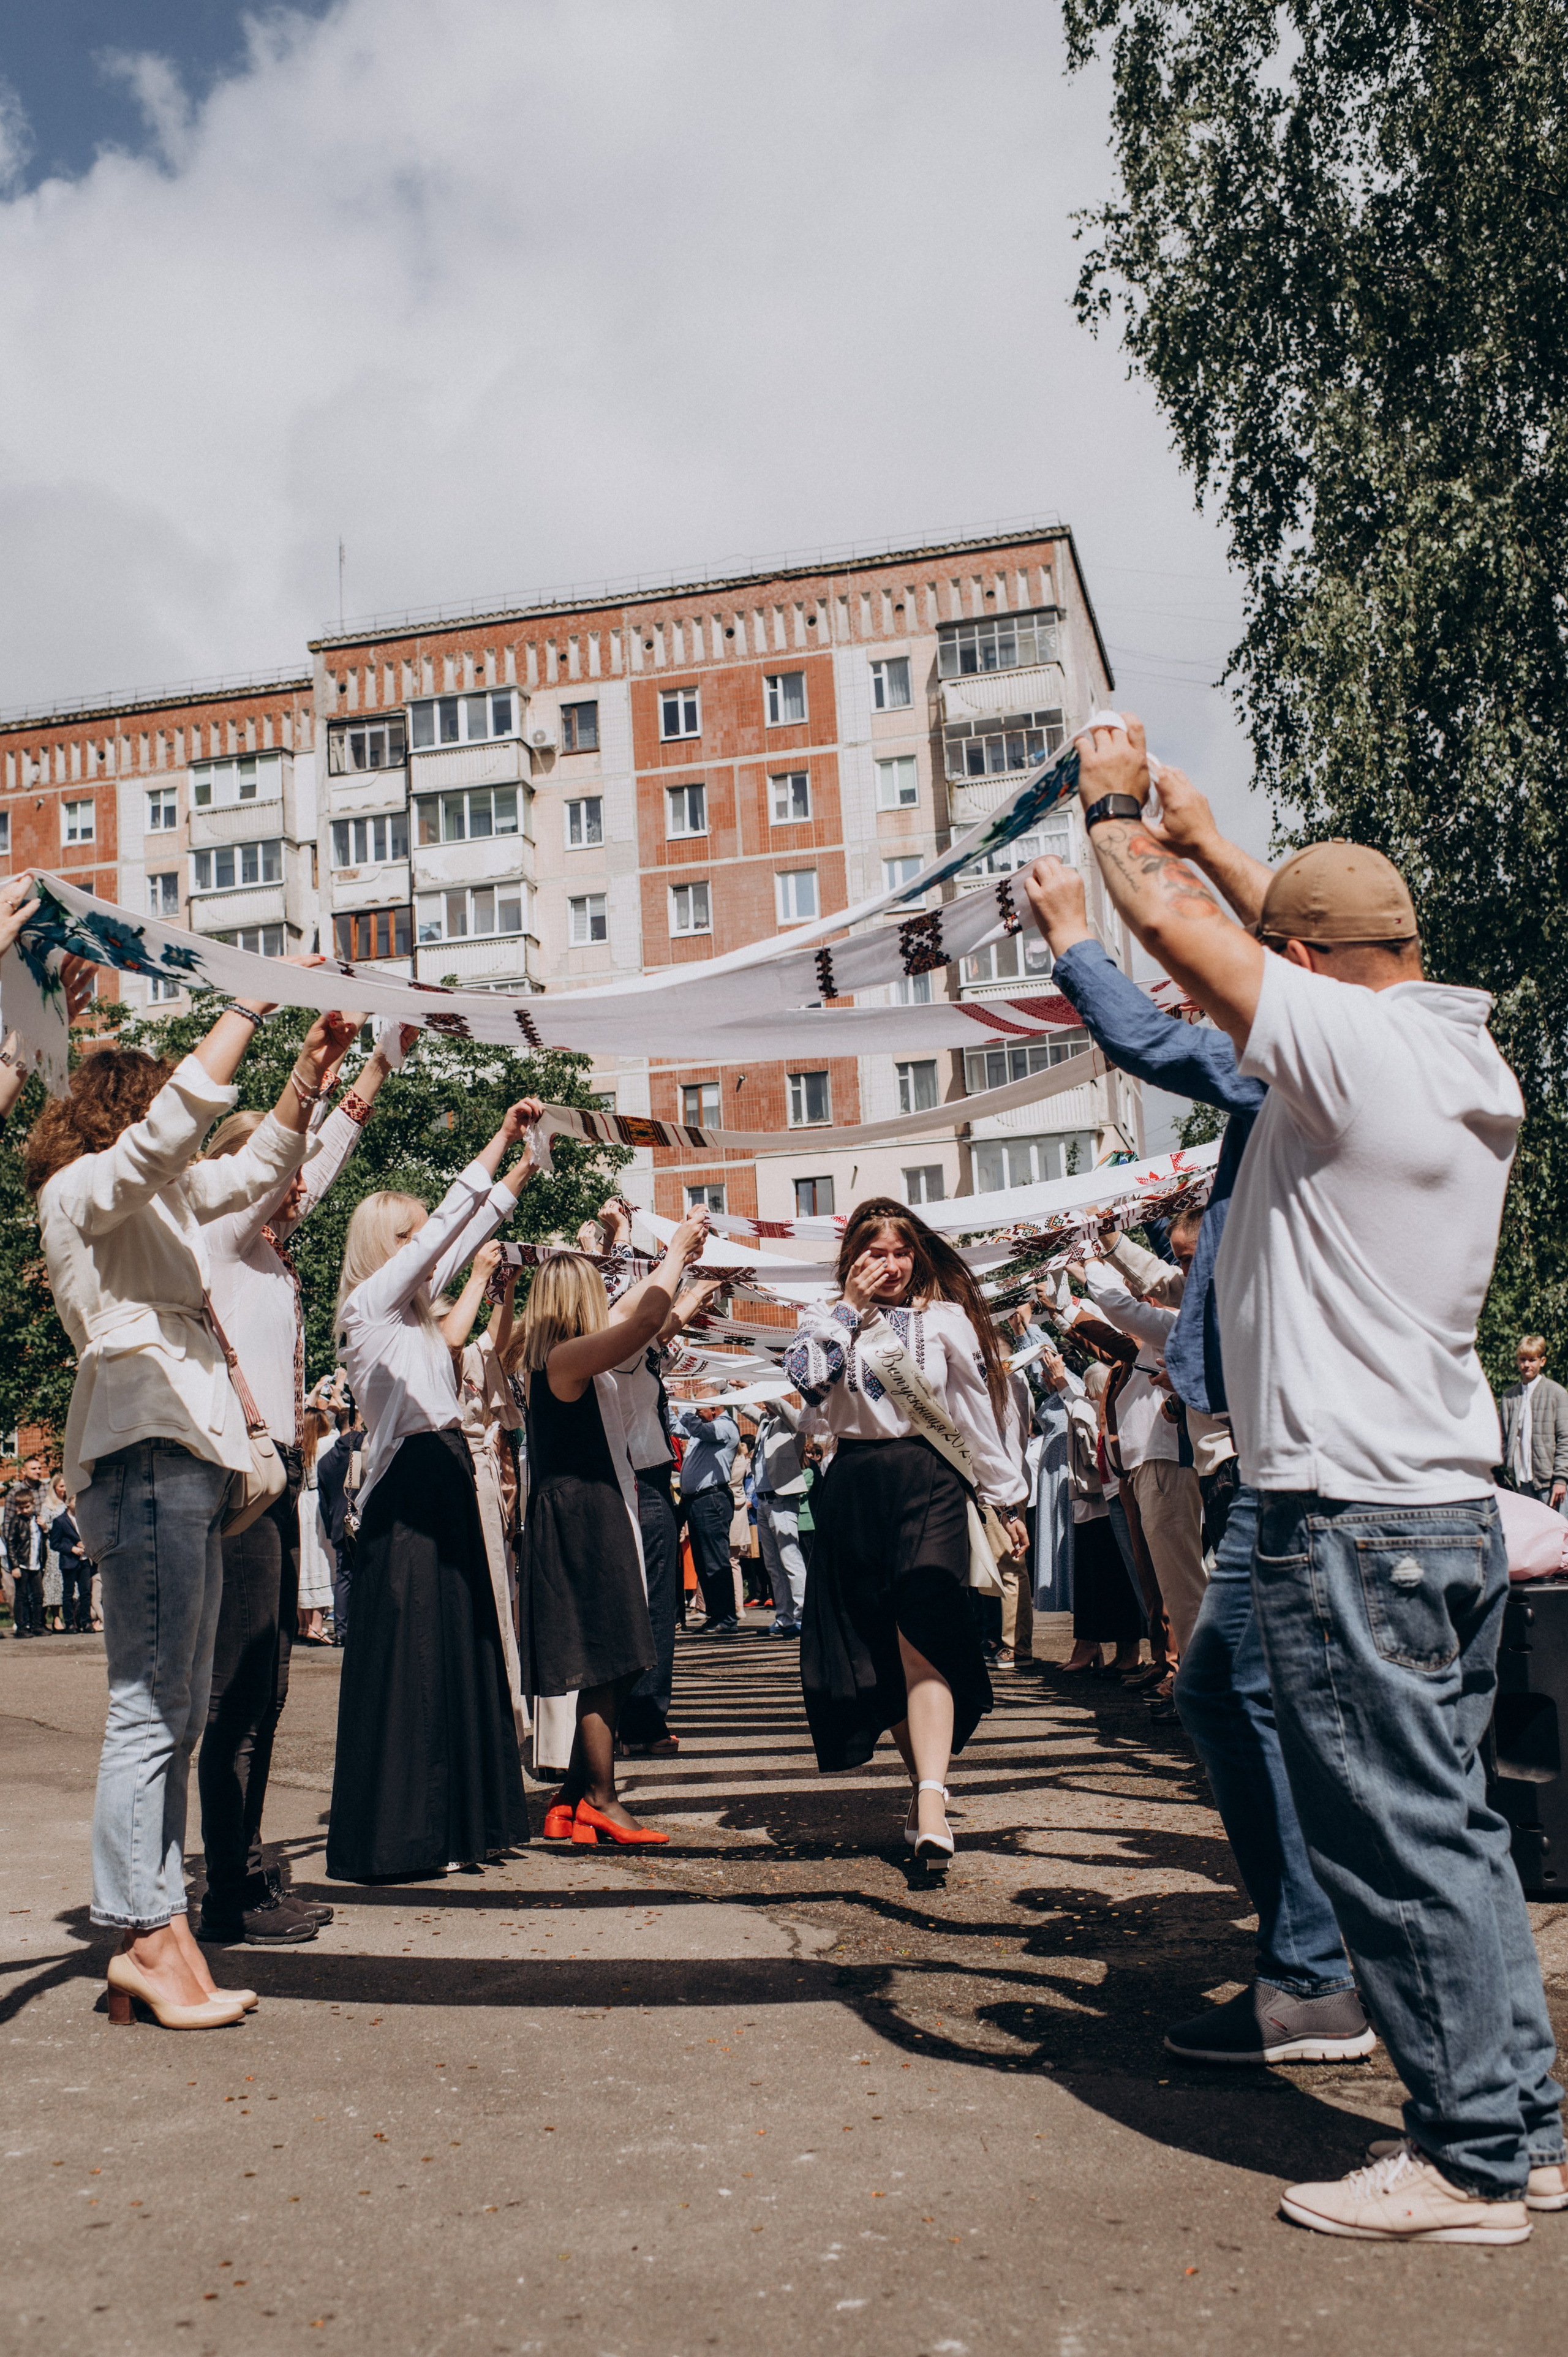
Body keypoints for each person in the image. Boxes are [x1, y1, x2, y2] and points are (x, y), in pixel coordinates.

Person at [1033, 713, 1564, 2242]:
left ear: (1310, 972)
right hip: (1435, 1499)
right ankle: (1515, 2127)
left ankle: (1461, 2160)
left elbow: (1177, 941)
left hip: (1350, 1508)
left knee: (1389, 1837)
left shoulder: (1339, 1050)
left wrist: (1120, 817)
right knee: (1446, 1825)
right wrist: (1209, 837)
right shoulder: (1443, 1041)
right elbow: (1290, 930)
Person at [1029, 834, 1373, 2064]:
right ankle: (1315, 1964)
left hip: (1314, 1460)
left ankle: (1437, 2078)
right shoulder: (1334, 1040)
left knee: (1362, 1742)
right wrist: (1173, 828)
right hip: (1276, 1449)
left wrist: (1077, 921)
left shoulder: (1313, 1054)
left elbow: (1154, 1036)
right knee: (1228, 1687)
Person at [26, 985, 342, 2030]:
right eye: (159, 1100)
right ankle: (145, 1931)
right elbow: (172, 1143)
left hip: (179, 1450)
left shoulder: (146, 1199)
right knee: (151, 1705)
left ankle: (162, 1931)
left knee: (174, 1706)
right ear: (126, 1109)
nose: (177, 1113)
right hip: (145, 1446)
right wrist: (248, 1007)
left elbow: (253, 1169)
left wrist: (307, 1081)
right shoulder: (83, 1187)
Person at [195, 1010, 405, 1945]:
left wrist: (389, 1052)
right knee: (237, 1690)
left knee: (268, 1687)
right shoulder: (221, 1234)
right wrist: (310, 1071)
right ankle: (228, 1892)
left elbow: (321, 1157)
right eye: (282, 1183)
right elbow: (294, 1159)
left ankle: (241, 1873)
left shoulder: (266, 1250)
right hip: (235, 1479)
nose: (299, 1197)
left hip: (276, 1478)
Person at [326, 1099, 543, 1883]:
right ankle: (405, 1832)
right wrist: (499, 1141)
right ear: (387, 1246)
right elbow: (452, 1222)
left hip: (444, 1474)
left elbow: (464, 1236)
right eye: (411, 1234)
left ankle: (461, 1823)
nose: (426, 1245)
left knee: (462, 1648)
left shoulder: (414, 1317)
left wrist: (522, 1164)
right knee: (415, 1659)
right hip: (410, 1487)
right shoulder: (368, 1310)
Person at [783, 1198, 1028, 1865]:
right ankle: (922, 1779)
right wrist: (846, 1309)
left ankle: (929, 1796)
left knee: (923, 1631)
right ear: (852, 1259)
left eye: (899, 1252)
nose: (889, 1265)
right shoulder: (820, 1321)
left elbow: (976, 1412)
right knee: (878, 1650)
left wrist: (1006, 1497)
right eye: (874, 1253)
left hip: (931, 1480)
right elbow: (806, 1384)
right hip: (855, 1487)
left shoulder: (945, 1319)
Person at [517, 1211, 710, 1847]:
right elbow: (646, 1320)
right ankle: (602, 1797)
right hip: (585, 1515)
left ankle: (571, 1797)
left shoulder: (562, 1356)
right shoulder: (566, 1359)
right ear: (577, 1302)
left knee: (619, 1654)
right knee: (609, 1654)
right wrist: (678, 1249)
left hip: (586, 1508)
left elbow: (642, 1311)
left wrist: (678, 1271)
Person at [589, 1197, 723, 1757]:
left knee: (651, 1604)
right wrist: (633, 1241)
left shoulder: (629, 1341)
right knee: (643, 1606)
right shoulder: (608, 1337)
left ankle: (635, 1719)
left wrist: (694, 1289)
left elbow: (658, 1322)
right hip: (633, 1476)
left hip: (643, 1475)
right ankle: (636, 1722)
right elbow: (638, 1313)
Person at [439, 1239, 527, 1740]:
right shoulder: (432, 1349)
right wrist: (480, 1280)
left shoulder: (470, 1354)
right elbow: (463, 1342)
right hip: (453, 1474)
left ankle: (501, 1711)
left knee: (496, 1589)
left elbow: (493, 1340)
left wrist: (505, 1289)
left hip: (480, 1475)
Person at [671, 1402, 743, 1632]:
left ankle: (726, 1618)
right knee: (703, 1563)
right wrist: (665, 1403)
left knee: (715, 1560)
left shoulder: (725, 1426)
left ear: (714, 1409)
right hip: (695, 1501)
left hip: (711, 1499)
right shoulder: (701, 1428)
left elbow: (701, 1431)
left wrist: (683, 1406)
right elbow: (676, 1426)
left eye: (698, 1408)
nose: (695, 1413)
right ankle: (716, 1614)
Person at [753, 1397, 810, 1637]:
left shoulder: (792, 1420)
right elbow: (747, 1407)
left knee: (791, 1559)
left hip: (783, 1497)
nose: (763, 1406)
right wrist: (727, 1386)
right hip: (763, 1501)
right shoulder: (766, 1422)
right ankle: (784, 1618)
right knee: (773, 1565)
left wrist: (759, 1389)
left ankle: (804, 1616)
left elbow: (786, 1410)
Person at [1498, 1337, 1568, 1510]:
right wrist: (1510, 1463)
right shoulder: (1510, 1397)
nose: (1527, 1364)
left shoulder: (1556, 1393)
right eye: (1523, 1360)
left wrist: (1561, 1479)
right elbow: (1503, 1437)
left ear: (1542, 1361)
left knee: (1559, 1533)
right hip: (1523, 1482)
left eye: (1532, 1360)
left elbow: (1565, 1439)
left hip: (1550, 1484)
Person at [47, 1483, 91, 1634]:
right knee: (68, 1593)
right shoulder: (60, 1521)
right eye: (75, 1501)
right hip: (70, 1562)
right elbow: (55, 1543)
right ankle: (70, 1623)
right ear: (68, 1502)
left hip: (84, 1560)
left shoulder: (84, 1519)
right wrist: (72, 1548)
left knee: (86, 1592)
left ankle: (85, 1622)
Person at [7, 1485, 46, 1639]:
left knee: (38, 1595)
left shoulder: (37, 1519)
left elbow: (42, 1541)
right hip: (22, 1564)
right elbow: (11, 1544)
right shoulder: (16, 1522)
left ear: (33, 1503)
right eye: (21, 1508)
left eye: (27, 1507)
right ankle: (22, 1627)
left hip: (35, 1564)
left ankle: (37, 1625)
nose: (25, 1510)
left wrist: (45, 1528)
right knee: (21, 1596)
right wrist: (15, 1566)